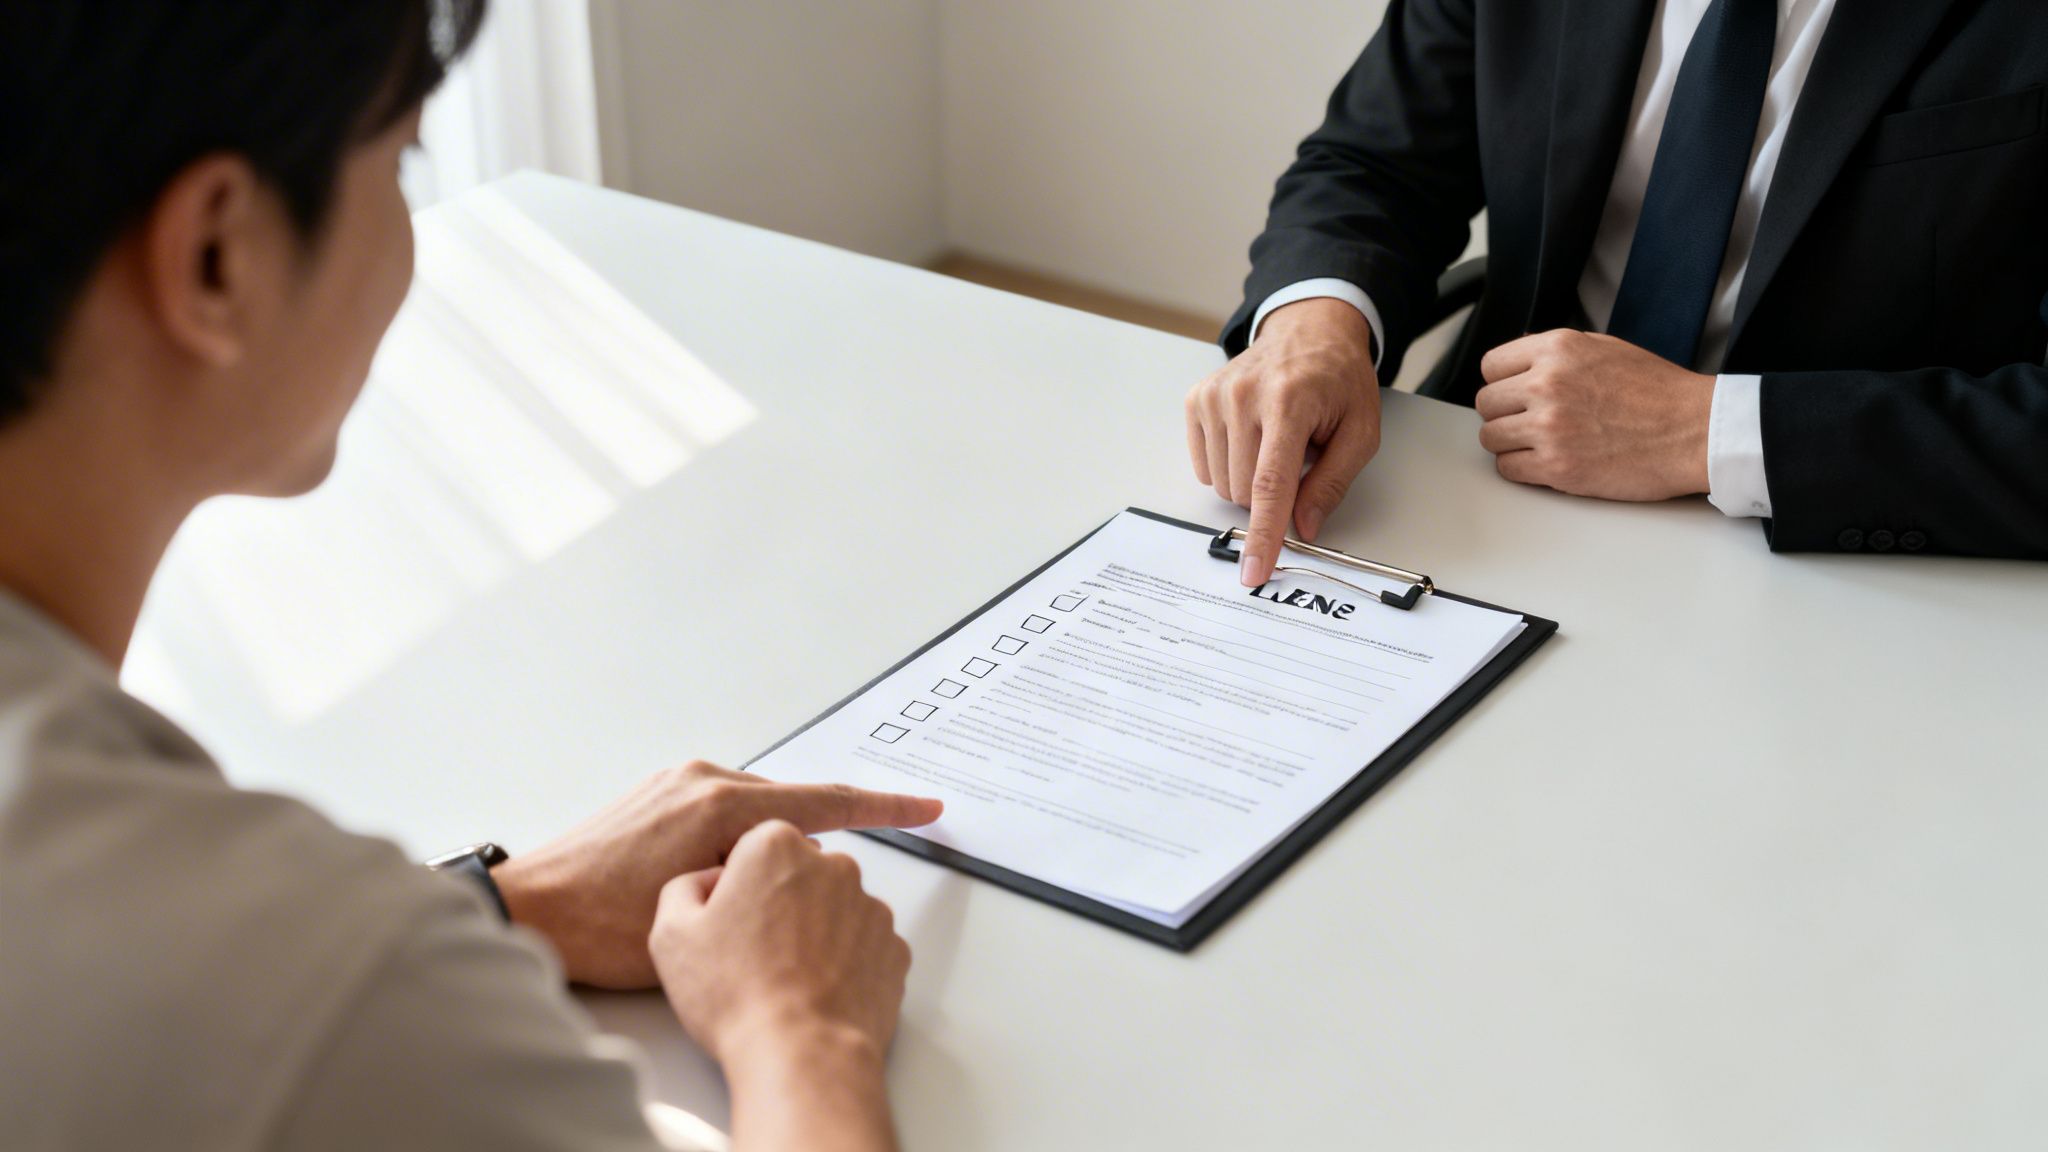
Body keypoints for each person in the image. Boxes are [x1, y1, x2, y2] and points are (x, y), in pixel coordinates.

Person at [0, 4, 942, 1150]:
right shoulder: (310, 988)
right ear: (217, 255)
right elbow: (273, 1008)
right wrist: (801, 1029)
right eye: (398, 161)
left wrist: (508, 905)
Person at [1188, 0, 2048, 587]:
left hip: (1857, 559)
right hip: (1489, 484)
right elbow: (1378, 163)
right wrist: (1317, 323)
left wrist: (1702, 431)